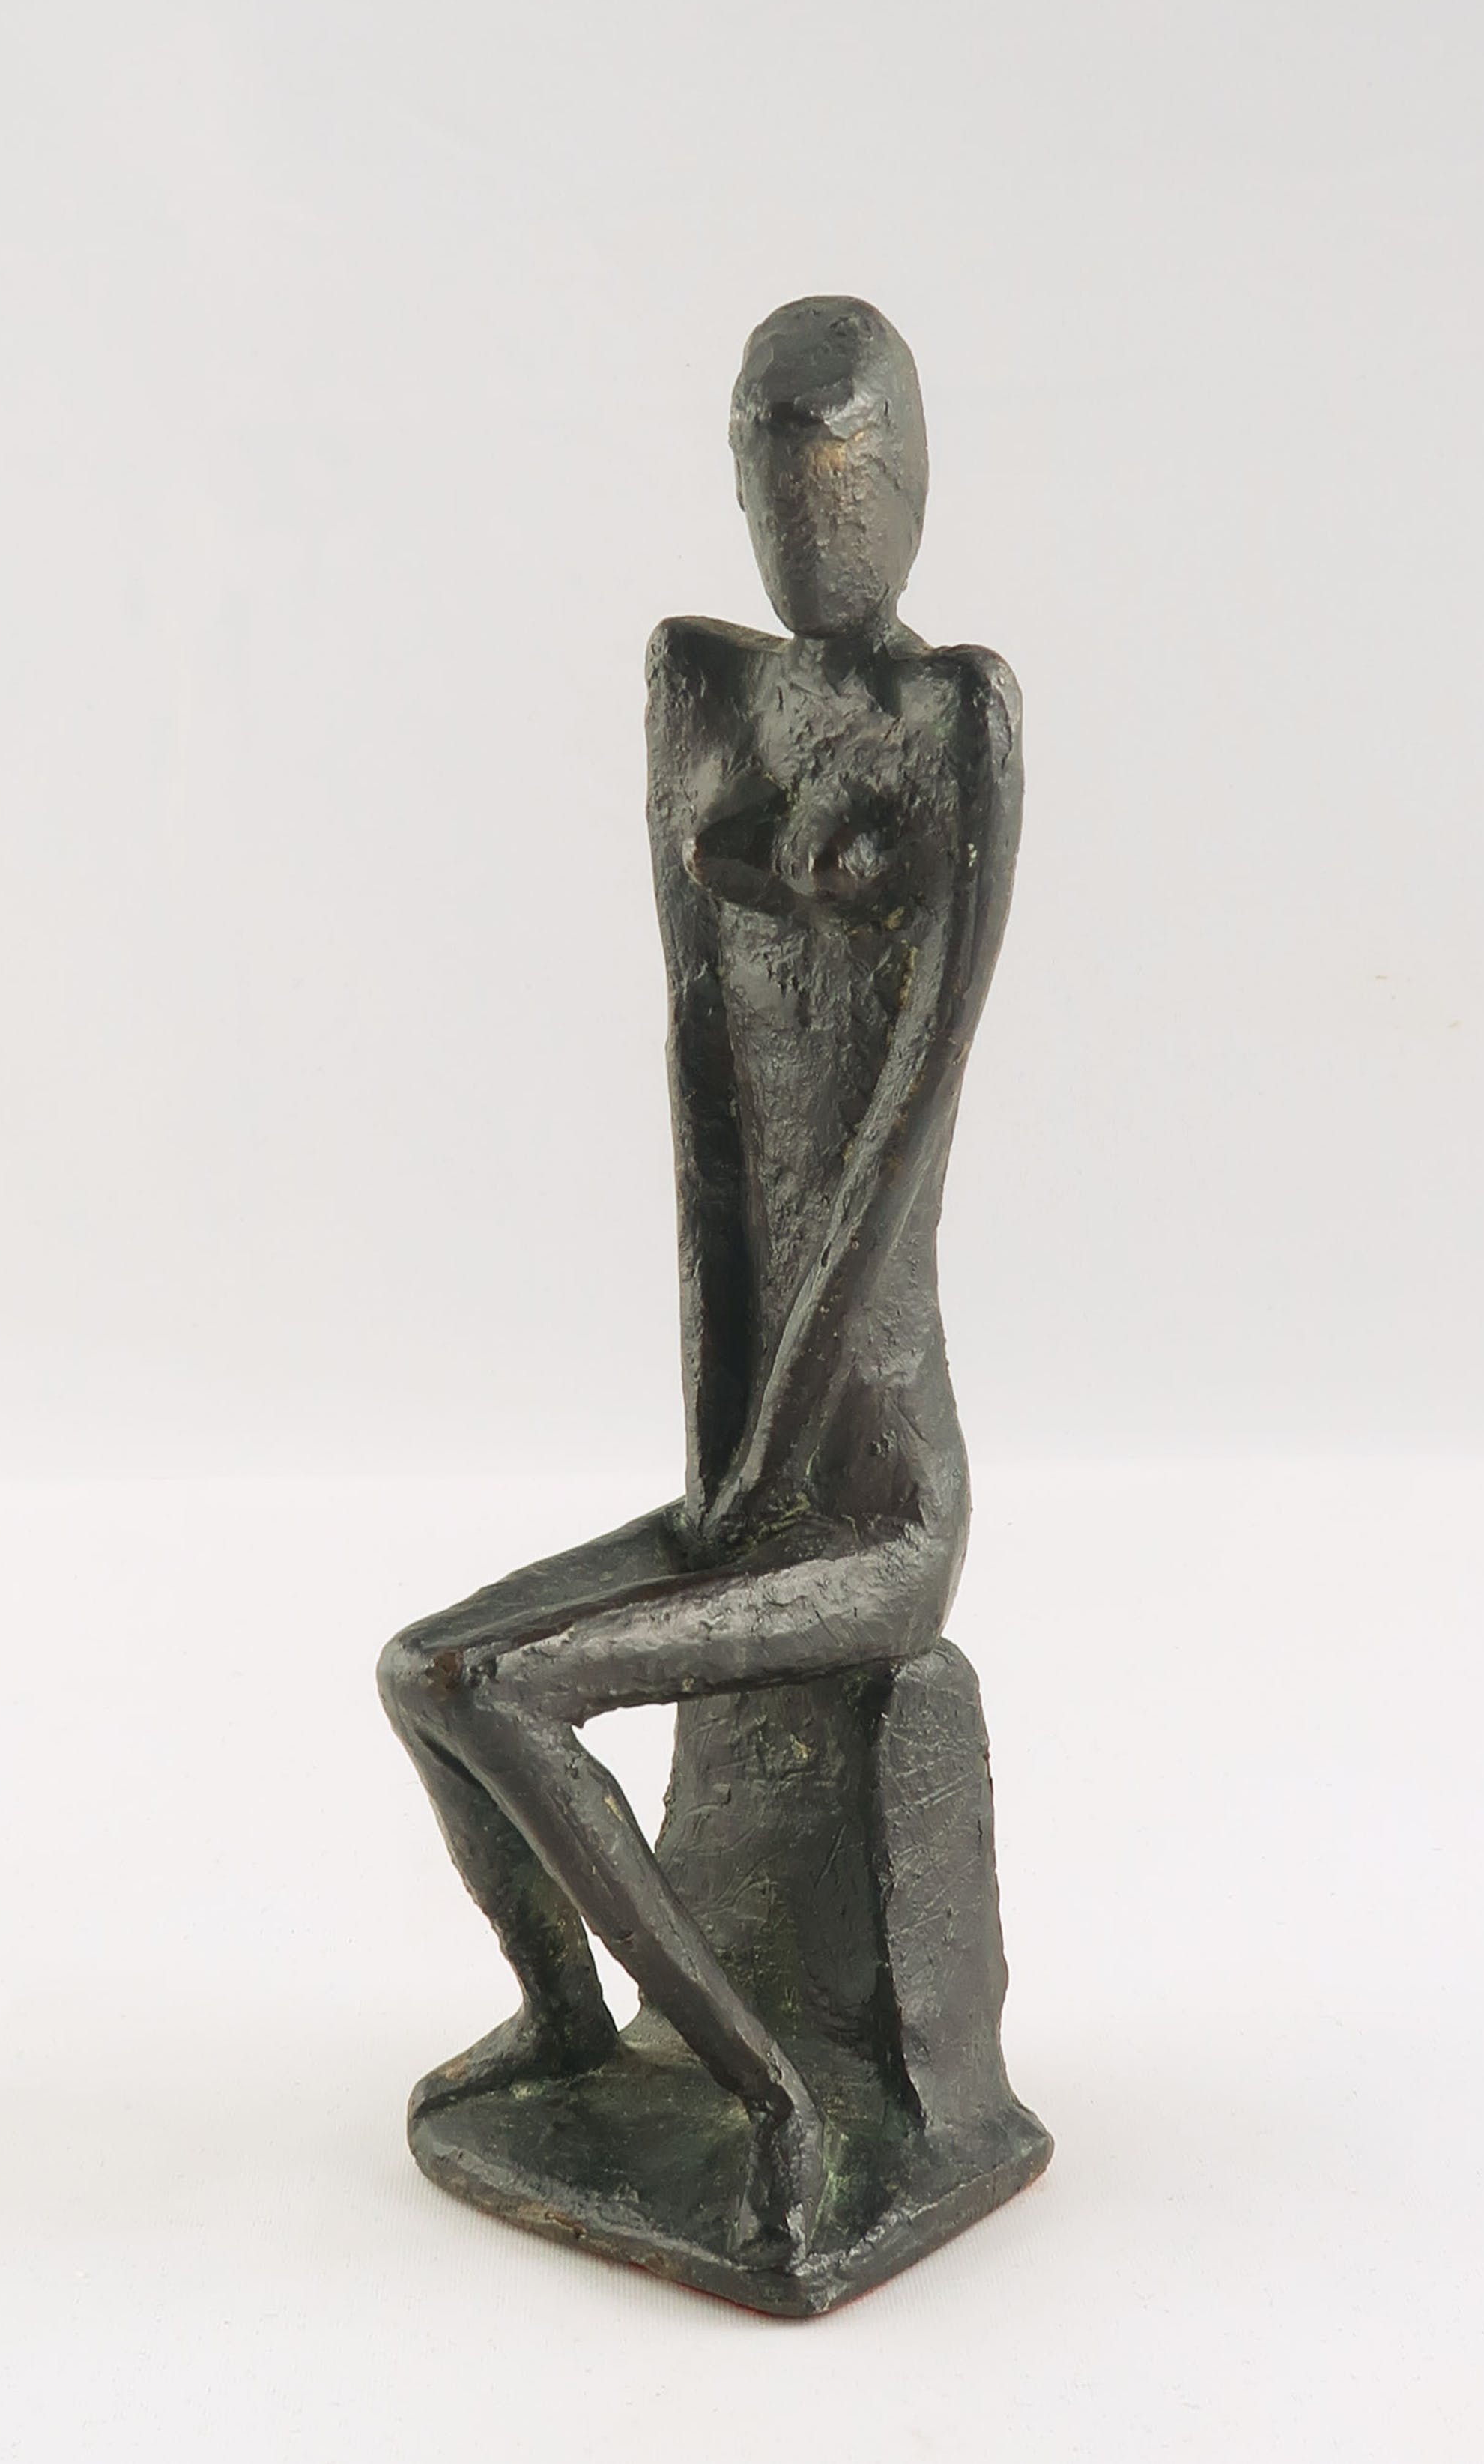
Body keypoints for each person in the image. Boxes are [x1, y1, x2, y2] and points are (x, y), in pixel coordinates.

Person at [378, 294, 1023, 2268]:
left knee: (521, 1696)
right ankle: (572, 2021)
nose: (813, 534)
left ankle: (779, 2102)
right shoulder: (700, 688)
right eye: (776, 489)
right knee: (430, 1674)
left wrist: (771, 1454)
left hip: (873, 1496)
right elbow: (700, 1090)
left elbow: (900, 1139)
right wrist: (712, 1448)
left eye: (847, 489)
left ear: (913, 486)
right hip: (743, 1456)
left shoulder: (956, 721)